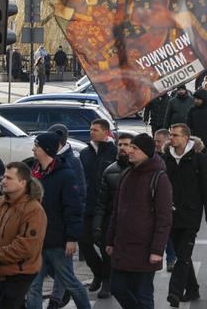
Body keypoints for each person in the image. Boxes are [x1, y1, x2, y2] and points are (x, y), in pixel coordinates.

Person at [106, 134, 173, 309]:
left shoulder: (159, 178)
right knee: (117, 287)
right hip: (122, 246)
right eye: (130, 147)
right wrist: (110, 240)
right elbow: (116, 211)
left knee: (142, 294)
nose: (129, 151)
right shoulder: (127, 173)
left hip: (145, 248)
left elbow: (164, 219)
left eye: (135, 148)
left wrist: (157, 250)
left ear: (146, 152)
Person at [26, 132, 90, 309]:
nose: (33, 149)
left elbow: (73, 209)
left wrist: (71, 238)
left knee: (71, 283)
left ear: (46, 150)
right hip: (37, 240)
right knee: (33, 287)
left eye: (36, 146)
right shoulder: (34, 172)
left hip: (57, 242)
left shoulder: (65, 175)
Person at [0, 162, 48, 309]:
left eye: (9, 178)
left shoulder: (33, 210)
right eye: (3, 177)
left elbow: (26, 245)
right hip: (1, 269)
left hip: (21, 271)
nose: (3, 181)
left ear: (22, 183)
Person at [163, 124, 207, 307]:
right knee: (181, 253)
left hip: (191, 215)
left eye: (176, 135)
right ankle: (193, 288)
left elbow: (206, 189)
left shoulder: (199, 159)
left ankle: (174, 292)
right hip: (171, 215)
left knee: (183, 255)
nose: (172, 138)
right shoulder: (165, 158)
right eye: (171, 135)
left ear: (186, 138)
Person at [46, 124, 87, 309]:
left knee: (64, 270)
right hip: (48, 226)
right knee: (57, 269)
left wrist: (72, 234)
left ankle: (57, 298)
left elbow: (77, 198)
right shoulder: (47, 159)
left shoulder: (71, 161)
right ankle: (59, 295)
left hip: (62, 226)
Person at [79, 119, 117, 299]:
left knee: (104, 246)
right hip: (88, 206)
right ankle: (98, 272)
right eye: (90, 129)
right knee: (84, 243)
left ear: (106, 132)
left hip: (106, 208)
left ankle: (107, 281)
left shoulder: (114, 152)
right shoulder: (85, 153)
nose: (91, 132)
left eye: (95, 130)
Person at [92, 134, 132, 259]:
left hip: (133, 227)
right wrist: (97, 226)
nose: (122, 147)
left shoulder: (139, 170)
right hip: (111, 225)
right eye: (120, 145)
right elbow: (102, 203)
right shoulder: (110, 171)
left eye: (126, 144)